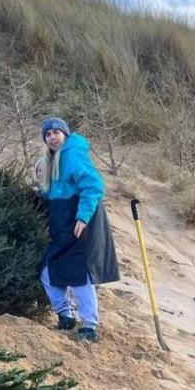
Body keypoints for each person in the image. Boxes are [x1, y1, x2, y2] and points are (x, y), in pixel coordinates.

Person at [34, 116, 119, 343]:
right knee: (47, 272)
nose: (52, 137)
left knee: (80, 277)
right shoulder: (53, 159)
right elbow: (57, 192)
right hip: (61, 228)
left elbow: (92, 186)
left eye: (56, 133)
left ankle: (89, 325)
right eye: (48, 134)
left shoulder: (72, 155)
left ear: (65, 134)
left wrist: (83, 217)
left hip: (77, 226)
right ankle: (66, 316)